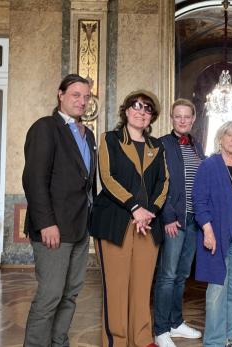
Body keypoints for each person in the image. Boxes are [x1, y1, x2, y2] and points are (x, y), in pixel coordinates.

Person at [22, 74, 97, 346]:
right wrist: (46, 224)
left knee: (70, 293)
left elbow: (87, 184)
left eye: (86, 97)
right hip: (53, 228)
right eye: (76, 95)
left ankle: (59, 342)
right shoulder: (46, 127)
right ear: (60, 95)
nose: (82, 101)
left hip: (79, 227)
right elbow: (34, 179)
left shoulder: (86, 135)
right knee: (50, 294)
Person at [90, 90, 169, 347]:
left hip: (148, 224)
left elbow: (163, 183)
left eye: (147, 109)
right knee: (116, 287)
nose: (141, 111)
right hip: (115, 222)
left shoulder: (156, 147)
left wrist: (150, 212)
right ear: (125, 111)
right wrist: (135, 207)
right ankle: (117, 341)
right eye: (136, 106)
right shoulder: (109, 139)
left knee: (142, 285)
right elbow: (107, 177)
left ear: (151, 118)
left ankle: (143, 339)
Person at [192, 121, 232, 347]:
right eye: (230, 135)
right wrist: (207, 230)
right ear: (221, 138)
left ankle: (228, 336)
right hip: (216, 236)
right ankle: (214, 341)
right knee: (217, 288)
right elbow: (199, 201)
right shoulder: (209, 165)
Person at [153, 98, 205, 347]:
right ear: (172, 119)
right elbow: (160, 184)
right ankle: (161, 329)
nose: (183, 120)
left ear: (193, 119)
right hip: (174, 220)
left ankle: (176, 323)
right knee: (167, 275)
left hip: (194, 220)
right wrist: (168, 217)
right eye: (178, 116)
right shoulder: (162, 144)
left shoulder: (197, 146)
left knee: (182, 275)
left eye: (187, 116)